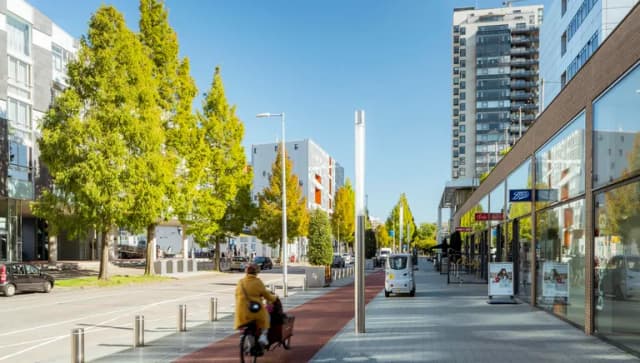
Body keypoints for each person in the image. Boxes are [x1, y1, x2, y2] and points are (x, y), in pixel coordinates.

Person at [234, 263, 278, 346]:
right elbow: (266, 295)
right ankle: (263, 336)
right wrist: (274, 298)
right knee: (266, 317)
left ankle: (245, 337)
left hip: (241, 312)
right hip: (255, 311)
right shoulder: (258, 282)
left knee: (244, 323)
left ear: (246, 272)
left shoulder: (240, 282)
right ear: (256, 272)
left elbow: (236, 295)